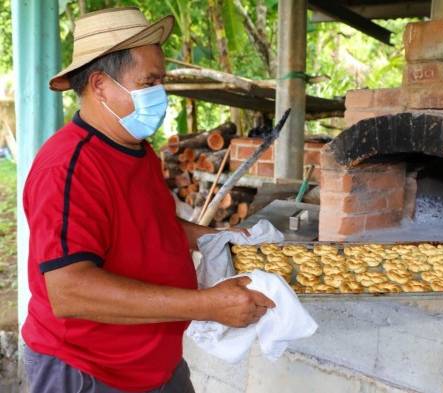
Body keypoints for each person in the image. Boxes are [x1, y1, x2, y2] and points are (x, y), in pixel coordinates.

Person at [21, 7, 274, 393]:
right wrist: (207, 304)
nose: (161, 93)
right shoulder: (68, 167)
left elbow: (152, 225)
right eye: (149, 81)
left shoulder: (137, 151)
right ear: (101, 85)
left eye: (161, 81)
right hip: (89, 372)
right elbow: (70, 290)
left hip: (155, 364)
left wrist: (209, 237)